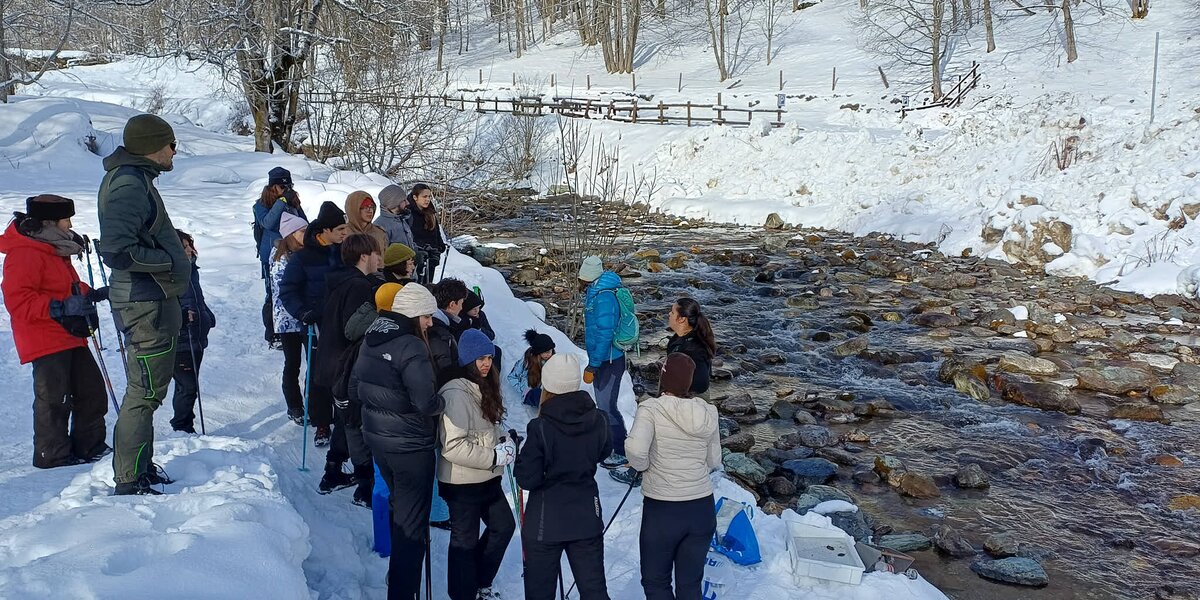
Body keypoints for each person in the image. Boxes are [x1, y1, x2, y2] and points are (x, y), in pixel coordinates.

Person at [97, 113, 192, 495]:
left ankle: (140, 466)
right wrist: (169, 262)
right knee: (145, 391)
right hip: (145, 301)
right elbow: (118, 250)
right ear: (155, 145)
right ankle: (129, 477)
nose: (174, 152)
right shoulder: (128, 183)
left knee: (150, 390)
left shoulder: (137, 179)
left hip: (152, 297)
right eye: (172, 144)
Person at [0, 195, 110, 468]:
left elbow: (63, 286)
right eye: (66, 219)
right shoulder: (26, 252)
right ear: (49, 222)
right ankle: (53, 456)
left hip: (70, 332)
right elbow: (18, 300)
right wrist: (59, 307)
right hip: (44, 335)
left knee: (91, 391)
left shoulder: (53, 247)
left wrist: (88, 294)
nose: (70, 224)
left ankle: (90, 447)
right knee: (54, 398)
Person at [355, 283, 445, 599]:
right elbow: (425, 402)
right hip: (411, 447)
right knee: (413, 527)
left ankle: (398, 580)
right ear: (412, 314)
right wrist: (443, 402)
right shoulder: (411, 346)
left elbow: (357, 387)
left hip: (380, 442)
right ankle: (403, 591)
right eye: (426, 316)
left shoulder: (372, 336)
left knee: (400, 509)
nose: (430, 323)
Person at [621, 353, 721, 600]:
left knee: (656, 581)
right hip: (701, 508)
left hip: (663, 509)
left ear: (663, 379)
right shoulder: (708, 411)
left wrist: (643, 466)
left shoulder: (651, 409)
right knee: (690, 585)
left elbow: (635, 450)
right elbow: (714, 461)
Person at [514, 353, 611, 600]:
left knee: (540, 592)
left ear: (549, 384)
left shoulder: (541, 426)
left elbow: (527, 478)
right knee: (594, 590)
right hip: (586, 516)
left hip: (546, 521)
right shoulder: (598, 418)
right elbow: (604, 451)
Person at [437, 329, 516, 600]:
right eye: (480, 358)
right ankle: (462, 593)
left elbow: (485, 430)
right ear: (468, 359)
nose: (486, 364)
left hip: (486, 478)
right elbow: (453, 446)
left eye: (489, 358)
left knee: (503, 526)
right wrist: (494, 457)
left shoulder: (482, 386)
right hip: (461, 483)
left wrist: (505, 439)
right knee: (464, 542)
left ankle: (480, 581)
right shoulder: (455, 393)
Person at [315, 233, 383, 497]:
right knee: (354, 422)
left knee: (346, 422)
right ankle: (364, 485)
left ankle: (332, 472)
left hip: (331, 361)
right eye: (376, 254)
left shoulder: (339, 281)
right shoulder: (358, 286)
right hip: (344, 365)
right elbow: (354, 329)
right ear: (364, 256)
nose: (380, 258)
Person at [278, 200, 349, 446]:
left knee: (344, 371)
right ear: (324, 232)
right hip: (317, 324)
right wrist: (302, 312)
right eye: (340, 230)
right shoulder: (302, 258)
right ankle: (321, 423)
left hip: (343, 321)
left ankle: (343, 420)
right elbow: (287, 290)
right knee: (319, 374)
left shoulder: (344, 254)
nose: (344, 234)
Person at [578, 255, 629, 470]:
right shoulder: (596, 291)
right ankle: (610, 445)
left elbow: (605, 333)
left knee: (608, 408)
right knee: (604, 406)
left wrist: (594, 365)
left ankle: (621, 452)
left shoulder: (604, 296)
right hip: (603, 359)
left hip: (609, 360)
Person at [169, 229, 216, 434]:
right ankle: (181, 427)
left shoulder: (191, 270)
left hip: (196, 335)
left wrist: (206, 315)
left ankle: (186, 424)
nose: (189, 251)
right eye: (184, 247)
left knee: (190, 386)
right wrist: (180, 316)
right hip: (180, 337)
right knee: (186, 386)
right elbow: (166, 303)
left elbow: (197, 300)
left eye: (190, 245)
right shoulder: (169, 272)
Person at [253, 167, 306, 346]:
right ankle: (273, 334)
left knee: (294, 290)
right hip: (272, 255)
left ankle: (294, 329)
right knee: (273, 294)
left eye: (289, 186)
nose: (286, 190)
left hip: (295, 253)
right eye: (282, 187)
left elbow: (304, 223)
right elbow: (267, 223)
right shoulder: (260, 205)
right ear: (273, 187)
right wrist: (282, 201)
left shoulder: (293, 202)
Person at [270, 212, 309, 425]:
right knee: (292, 363)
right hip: (288, 320)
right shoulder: (280, 257)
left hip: (306, 317)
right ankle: (294, 405)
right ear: (291, 235)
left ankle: (313, 404)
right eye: (302, 231)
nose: (307, 234)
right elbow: (282, 290)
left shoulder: (306, 253)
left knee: (313, 362)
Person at [665, 298, 715, 398]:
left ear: (682, 319)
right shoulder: (680, 338)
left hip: (692, 399)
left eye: (673, 312)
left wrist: (675, 393)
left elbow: (701, 383)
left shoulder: (691, 348)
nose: (669, 314)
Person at [430, 278, 468, 387]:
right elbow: (446, 373)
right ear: (452, 304)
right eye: (461, 303)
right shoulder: (440, 334)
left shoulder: (436, 321)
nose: (462, 307)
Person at [408, 184, 446, 285]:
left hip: (432, 256)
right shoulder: (408, 213)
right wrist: (422, 247)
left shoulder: (430, 212)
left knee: (428, 285)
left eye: (429, 197)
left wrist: (440, 245)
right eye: (424, 197)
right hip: (416, 258)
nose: (427, 199)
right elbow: (409, 235)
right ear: (415, 197)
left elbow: (436, 231)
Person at [508, 329, 555, 408]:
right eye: (545, 352)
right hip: (531, 392)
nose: (548, 354)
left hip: (547, 390)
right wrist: (524, 390)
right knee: (539, 396)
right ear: (538, 352)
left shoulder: (554, 359)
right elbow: (511, 377)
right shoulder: (527, 360)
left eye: (550, 351)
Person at [376, 184, 415, 249]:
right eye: (404, 200)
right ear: (394, 203)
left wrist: (419, 251)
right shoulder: (380, 226)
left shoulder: (401, 220)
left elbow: (407, 246)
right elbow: (381, 255)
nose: (408, 203)